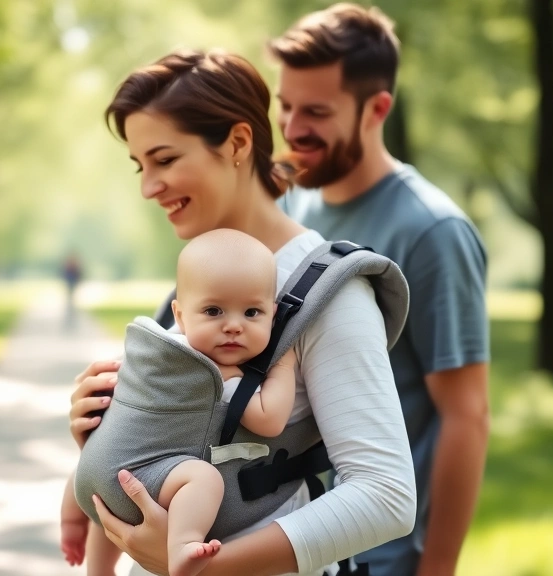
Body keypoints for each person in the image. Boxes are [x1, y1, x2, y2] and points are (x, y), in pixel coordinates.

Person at [68, 49, 416, 576]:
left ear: (236, 143)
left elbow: (386, 495)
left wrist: (208, 567)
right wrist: (104, 432)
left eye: (164, 160)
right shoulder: (201, 286)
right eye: (141, 166)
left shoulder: (331, 294)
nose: (148, 187)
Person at [270, 4, 491, 575]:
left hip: (385, 558)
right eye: (285, 105)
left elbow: (466, 416)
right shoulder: (291, 207)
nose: (292, 129)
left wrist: (436, 567)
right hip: (297, 545)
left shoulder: (432, 232)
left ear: (377, 109)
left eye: (315, 111)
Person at [62, 228, 298, 576]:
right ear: (181, 313)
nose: (233, 326)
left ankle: (86, 550)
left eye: (251, 313)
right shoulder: (216, 374)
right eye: (214, 311)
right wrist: (286, 363)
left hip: (90, 478)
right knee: (203, 479)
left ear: (271, 313)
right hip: (139, 481)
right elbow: (269, 419)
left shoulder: (153, 353)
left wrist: (73, 517)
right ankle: (183, 546)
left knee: (106, 470)